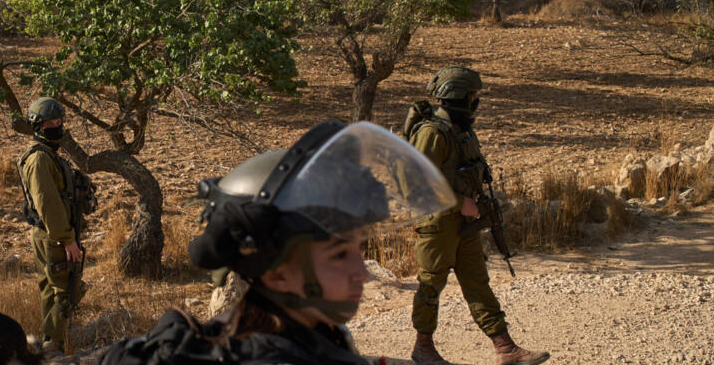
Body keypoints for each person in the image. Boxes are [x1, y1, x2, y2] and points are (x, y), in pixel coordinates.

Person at [100, 120, 457, 365]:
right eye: (338, 255)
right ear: (276, 274)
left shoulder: (308, 331)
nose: (361, 273)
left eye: (355, 251)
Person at [406, 66, 549, 365]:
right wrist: (459, 202)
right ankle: (423, 349)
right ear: (459, 96)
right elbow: (415, 184)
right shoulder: (432, 133)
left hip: (464, 223)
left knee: (477, 282)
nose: (476, 100)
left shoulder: (461, 129)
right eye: (473, 95)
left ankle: (505, 348)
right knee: (431, 285)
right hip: (438, 223)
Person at [17, 97, 87, 355]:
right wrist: (67, 239)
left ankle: (49, 340)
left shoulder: (47, 155)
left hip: (51, 233)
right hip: (53, 234)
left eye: (58, 121)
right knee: (66, 290)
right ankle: (50, 347)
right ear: (37, 125)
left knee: (51, 288)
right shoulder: (39, 160)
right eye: (50, 122)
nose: (56, 126)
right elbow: (48, 204)